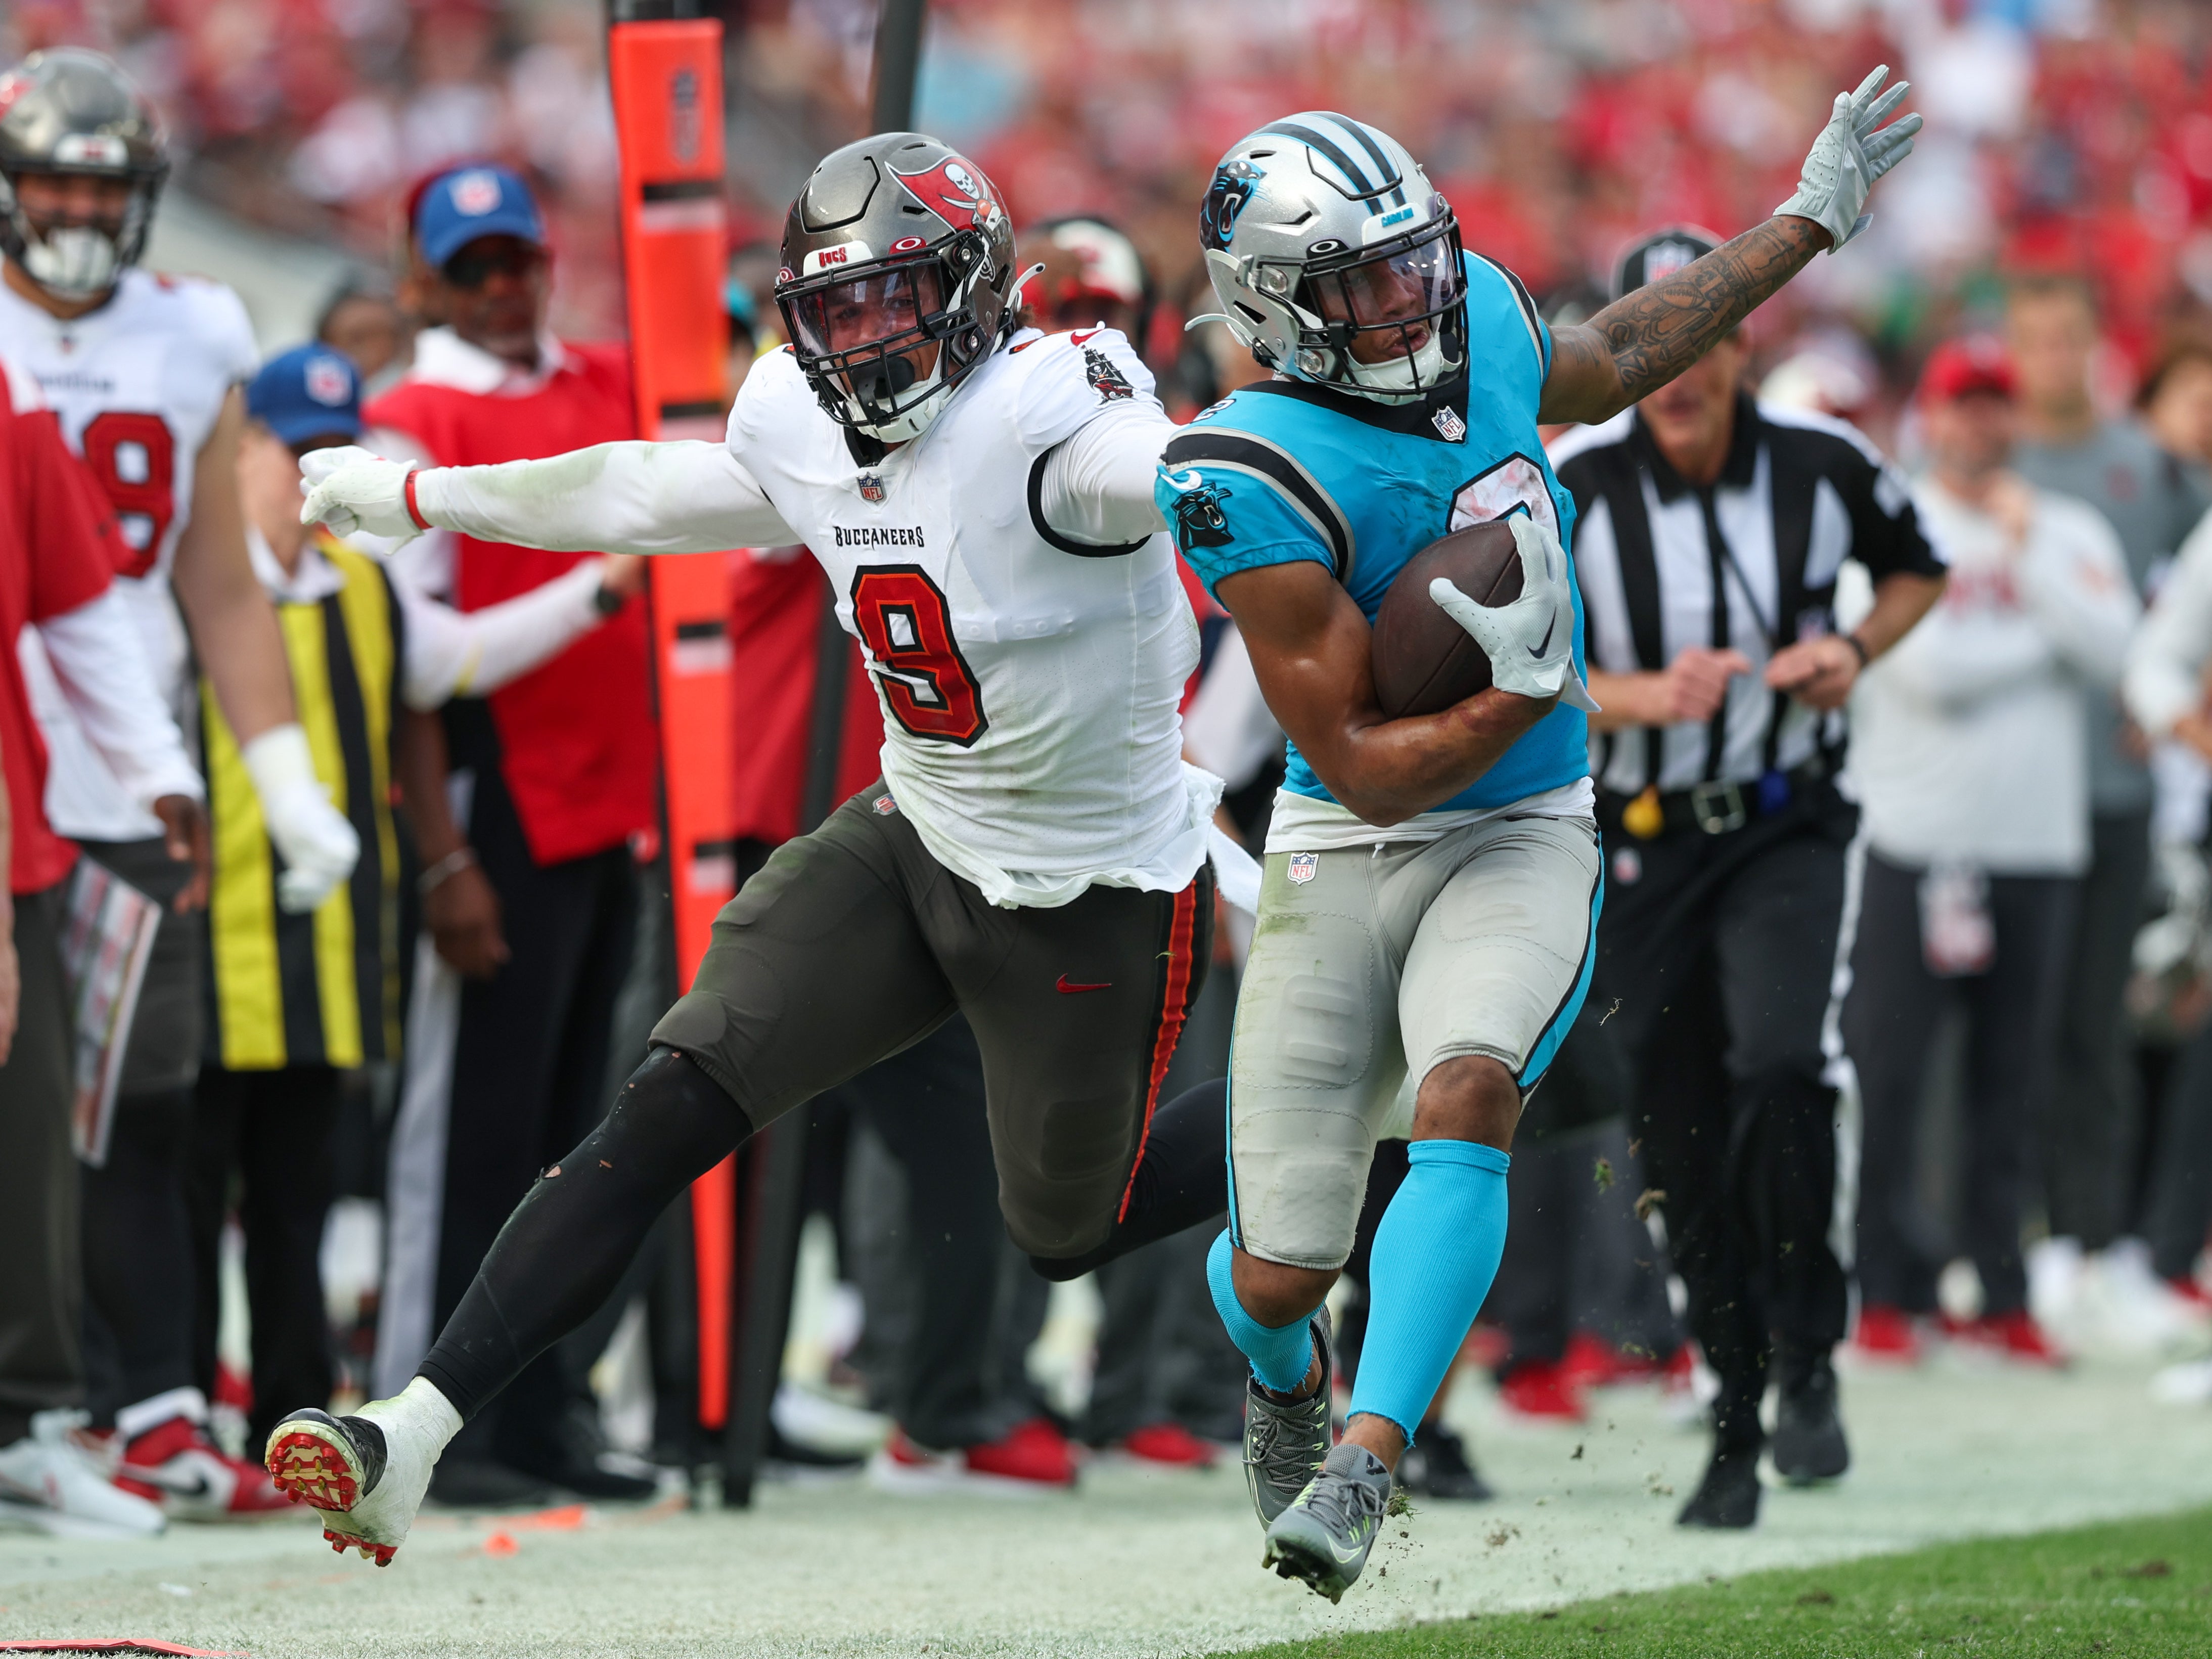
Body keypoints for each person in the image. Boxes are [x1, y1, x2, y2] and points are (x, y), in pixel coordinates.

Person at [264, 130, 1239, 1565]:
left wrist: (1237, 479)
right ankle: (407, 1431)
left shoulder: (1055, 412)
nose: (862, 340)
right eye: (833, 309)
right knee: (669, 1097)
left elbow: (1156, 471)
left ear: (970, 293)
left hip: (1089, 889)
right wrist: (426, 497)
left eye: (894, 300)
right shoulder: (798, 408)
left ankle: (1331, 1112)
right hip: (912, 834)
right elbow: (646, 497)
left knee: (1066, 1226)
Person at [1154, 72, 1919, 1596]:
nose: (1413, 295)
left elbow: (1618, 348)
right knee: (1272, 1272)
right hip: (1347, 836)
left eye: (1415, 253)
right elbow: (1362, 768)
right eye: (1364, 280)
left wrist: (1806, 220)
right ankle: (1289, 1377)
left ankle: (1367, 1464)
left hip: (1523, 829)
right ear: (1279, 307)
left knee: (1471, 1084)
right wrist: (1519, 685)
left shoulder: (1475, 316)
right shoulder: (1239, 469)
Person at [0, 47, 359, 1518]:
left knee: (143, 1097)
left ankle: (131, 1397)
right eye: (55, 181)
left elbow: (215, 582)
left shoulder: (194, 330)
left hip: (124, 760)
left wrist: (278, 778)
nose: (81, 211)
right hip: (22, 755)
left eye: (105, 183)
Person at [1548, 225, 1946, 1528]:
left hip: (1784, 823)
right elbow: (1519, 668)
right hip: (1647, 838)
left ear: (1742, 340)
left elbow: (1915, 570)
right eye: (1652, 333)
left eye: (1703, 329)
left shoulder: (1825, 464)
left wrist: (1852, 653)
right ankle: (1733, 1402)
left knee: (1780, 1064)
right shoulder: (1569, 485)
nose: (1679, 360)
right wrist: (1630, 697)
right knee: (1673, 1124)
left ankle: (1809, 1353)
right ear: (1615, 353)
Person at [187, 343, 636, 1464]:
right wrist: (446, 861)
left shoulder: (364, 583)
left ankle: (301, 1412)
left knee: (297, 1189)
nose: (307, 482)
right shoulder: (198, 584)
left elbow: (437, 668)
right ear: (241, 453)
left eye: (327, 459)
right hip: (209, 930)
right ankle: (187, 1410)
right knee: (189, 1180)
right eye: (292, 453)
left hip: (330, 942)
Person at [358, 163, 661, 1506]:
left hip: (608, 808)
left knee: (572, 1131)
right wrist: (442, 857)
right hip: (497, 803)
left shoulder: (602, 376)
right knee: (470, 1134)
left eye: (517, 260)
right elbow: (422, 669)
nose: (502, 286)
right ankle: (439, 1407)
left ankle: (544, 1408)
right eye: (473, 265)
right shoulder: (403, 415)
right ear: (426, 279)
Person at [1846, 337, 2138, 1367]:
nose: (1979, 424)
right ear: (1930, 417)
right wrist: (2049, 636)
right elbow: (1929, 672)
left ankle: (1998, 1286)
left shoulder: (2061, 527)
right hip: (1915, 843)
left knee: (2010, 1083)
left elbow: (2122, 657)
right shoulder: (1892, 521)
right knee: (1893, 1074)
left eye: (1994, 406)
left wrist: (2024, 566)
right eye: (1962, 406)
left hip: (2034, 844)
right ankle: (1886, 1289)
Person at [0, 353, 191, 1538]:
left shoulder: (12, 396)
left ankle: (22, 1420)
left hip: (20, 822)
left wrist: (157, 767)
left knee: (29, 1130)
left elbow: (75, 600)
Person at [2006, 276, 2212, 1348]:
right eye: (2033, 338)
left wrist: (2165, 697)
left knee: (2101, 1026)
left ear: (2093, 347)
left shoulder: (2146, 468)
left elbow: (2189, 594)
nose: (2051, 357)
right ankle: (2024, 1244)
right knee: (2015, 1035)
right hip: (2013, 800)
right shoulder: (1994, 466)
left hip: (2123, 789)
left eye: (2067, 337)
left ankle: (2099, 1243)